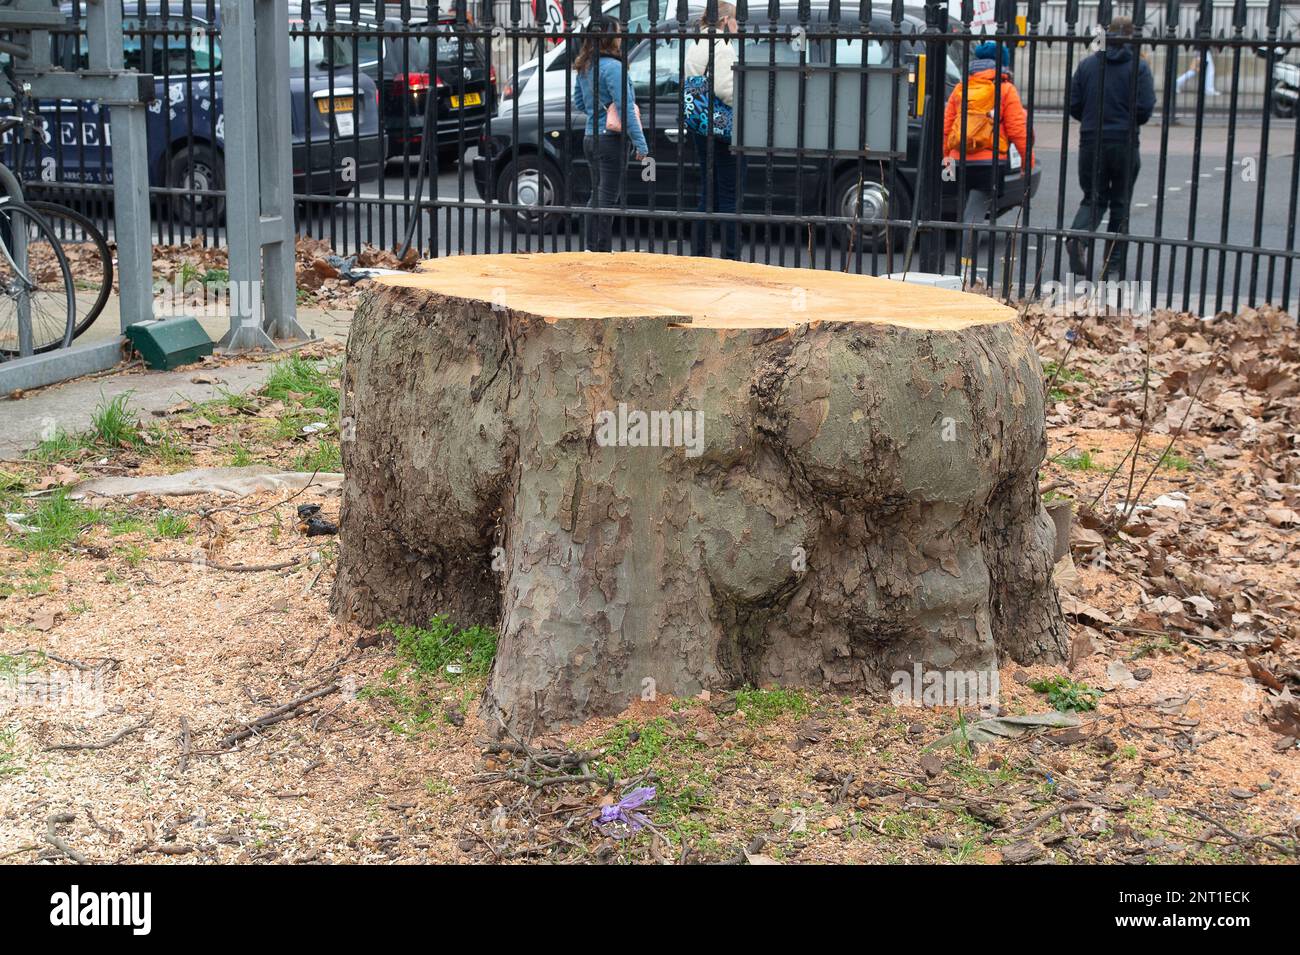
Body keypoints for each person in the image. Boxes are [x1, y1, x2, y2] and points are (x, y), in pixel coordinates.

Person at [1066, 16, 1155, 280]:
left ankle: (1079, 238)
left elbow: (1074, 105)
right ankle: (1111, 264)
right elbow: (1145, 108)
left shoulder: (1087, 66)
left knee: (1093, 196)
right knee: (1120, 203)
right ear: (1130, 37)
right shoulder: (1139, 67)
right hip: (1124, 141)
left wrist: (1094, 119)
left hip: (1091, 139)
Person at [942, 40, 1032, 282]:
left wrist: (947, 157)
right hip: (989, 162)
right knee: (974, 216)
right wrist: (1027, 160)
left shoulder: (962, 88)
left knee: (967, 212)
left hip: (960, 160)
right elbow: (1017, 129)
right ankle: (965, 272)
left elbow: (947, 126)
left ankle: (964, 268)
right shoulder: (1004, 89)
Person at [573, 15, 649, 252]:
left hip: (590, 137)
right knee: (607, 198)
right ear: (609, 37)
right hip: (610, 139)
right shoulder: (614, 67)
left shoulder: (586, 65)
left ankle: (592, 247)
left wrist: (598, 110)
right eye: (617, 32)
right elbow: (625, 107)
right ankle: (598, 251)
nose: (619, 37)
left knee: (597, 194)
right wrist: (641, 144)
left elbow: (579, 102)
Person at [684, 2, 742, 260]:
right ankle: (730, 256)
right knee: (730, 194)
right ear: (726, 20)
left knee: (708, 193)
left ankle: (700, 253)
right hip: (722, 126)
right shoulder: (722, 45)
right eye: (736, 21)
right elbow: (726, 89)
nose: (738, 26)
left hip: (700, 124)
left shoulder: (697, 42)